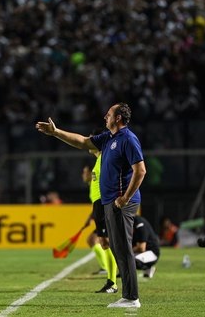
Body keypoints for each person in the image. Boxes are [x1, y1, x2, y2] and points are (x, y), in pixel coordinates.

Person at [37, 102, 146, 309]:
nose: (105, 116)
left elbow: (140, 171)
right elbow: (83, 142)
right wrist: (56, 132)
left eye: (109, 114)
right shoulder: (109, 138)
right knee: (117, 248)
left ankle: (132, 298)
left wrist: (124, 198)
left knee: (123, 248)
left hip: (122, 203)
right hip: (110, 202)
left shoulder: (128, 139)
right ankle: (128, 295)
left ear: (118, 118)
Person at [81, 149, 118, 294]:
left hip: (104, 206)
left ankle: (112, 280)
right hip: (100, 208)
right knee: (99, 242)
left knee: (104, 242)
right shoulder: (97, 167)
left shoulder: (103, 160)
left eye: (85, 172)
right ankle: (111, 277)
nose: (83, 175)